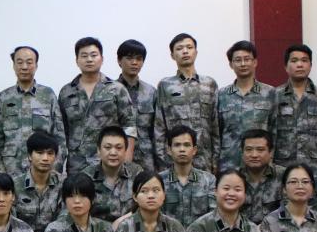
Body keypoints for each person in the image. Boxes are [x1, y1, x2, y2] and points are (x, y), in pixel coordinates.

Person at [58, 36, 137, 178]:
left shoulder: (116, 89)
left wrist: (126, 160)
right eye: (84, 56)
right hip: (77, 163)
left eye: (93, 55)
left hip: (109, 161)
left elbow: (129, 126)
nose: (89, 59)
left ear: (102, 59)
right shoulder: (66, 92)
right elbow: (61, 131)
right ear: (77, 60)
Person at [0, 45, 67, 174]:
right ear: (13, 65)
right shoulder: (3, 97)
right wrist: (2, 174)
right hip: (11, 172)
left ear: (36, 65)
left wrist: (54, 170)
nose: (24, 67)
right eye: (20, 62)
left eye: (29, 62)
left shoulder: (48, 95)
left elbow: (59, 137)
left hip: (44, 171)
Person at [153, 33, 218, 173]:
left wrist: (216, 159)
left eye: (189, 47)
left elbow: (215, 125)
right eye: (179, 48)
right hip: (175, 160)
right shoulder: (165, 85)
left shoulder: (209, 84)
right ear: (172, 55)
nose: (185, 51)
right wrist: (163, 161)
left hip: (204, 159)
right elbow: (159, 126)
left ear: (196, 52)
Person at [272, 44, 317, 167]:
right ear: (286, 66)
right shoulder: (275, 95)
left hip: (315, 168)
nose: (300, 65)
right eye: (294, 61)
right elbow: (269, 134)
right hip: (283, 167)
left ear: (310, 65)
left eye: (304, 60)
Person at [217, 40, 276, 172]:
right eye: (238, 60)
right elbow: (217, 133)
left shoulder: (270, 93)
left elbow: (275, 130)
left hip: (260, 164)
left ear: (255, 62)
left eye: (247, 59)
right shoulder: (221, 95)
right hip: (229, 164)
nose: (243, 64)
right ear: (231, 64)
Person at [184, 169, 265, 232]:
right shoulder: (199, 229)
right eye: (226, 188)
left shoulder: (253, 231)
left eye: (237, 190)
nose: (231, 193)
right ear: (215, 192)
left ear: (245, 195)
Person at [35, 173, 116, 232]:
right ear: (64, 200)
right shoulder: (53, 230)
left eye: (83, 196)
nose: (77, 201)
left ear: (92, 199)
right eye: (71, 196)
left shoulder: (105, 229)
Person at [111, 171, 187, 232]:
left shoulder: (175, 227)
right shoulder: (125, 228)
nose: (151, 196)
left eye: (156, 190)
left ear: (164, 195)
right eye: (144, 191)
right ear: (135, 197)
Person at [158, 125, 216, 228]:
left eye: (186, 145)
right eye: (177, 145)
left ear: (194, 150)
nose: (182, 149)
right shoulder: (159, 181)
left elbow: (213, 216)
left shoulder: (208, 180)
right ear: (169, 150)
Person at [115, 39, 158, 175]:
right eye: (129, 58)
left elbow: (157, 129)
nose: (134, 63)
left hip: (146, 158)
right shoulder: (110, 91)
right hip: (117, 155)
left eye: (139, 59)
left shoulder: (151, 92)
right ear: (119, 61)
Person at [13, 131, 63, 232]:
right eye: (40, 153)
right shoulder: (15, 186)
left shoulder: (63, 184)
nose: (45, 158)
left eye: (50, 153)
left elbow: (64, 220)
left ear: (55, 157)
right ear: (29, 156)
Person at [90, 126, 137, 223]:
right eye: (108, 147)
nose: (113, 153)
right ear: (98, 150)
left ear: (125, 151)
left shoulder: (136, 173)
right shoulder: (87, 177)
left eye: (119, 148)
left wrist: (121, 222)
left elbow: (147, 205)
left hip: (129, 228)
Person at [237, 129, 283, 225]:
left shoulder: (284, 176)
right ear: (242, 152)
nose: (254, 155)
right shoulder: (233, 177)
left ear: (271, 152)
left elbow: (290, 211)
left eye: (260, 150)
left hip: (275, 230)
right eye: (249, 150)